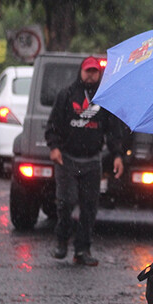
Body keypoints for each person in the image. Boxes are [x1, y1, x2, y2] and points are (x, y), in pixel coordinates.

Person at [45, 56, 124, 266]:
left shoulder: (104, 99)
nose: (90, 75)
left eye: (94, 72)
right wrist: (54, 148)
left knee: (90, 207)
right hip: (67, 160)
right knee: (66, 202)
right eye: (88, 71)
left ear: (99, 75)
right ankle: (61, 242)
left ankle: (83, 249)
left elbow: (114, 131)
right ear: (81, 72)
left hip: (92, 161)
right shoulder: (66, 95)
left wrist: (117, 155)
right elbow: (52, 126)